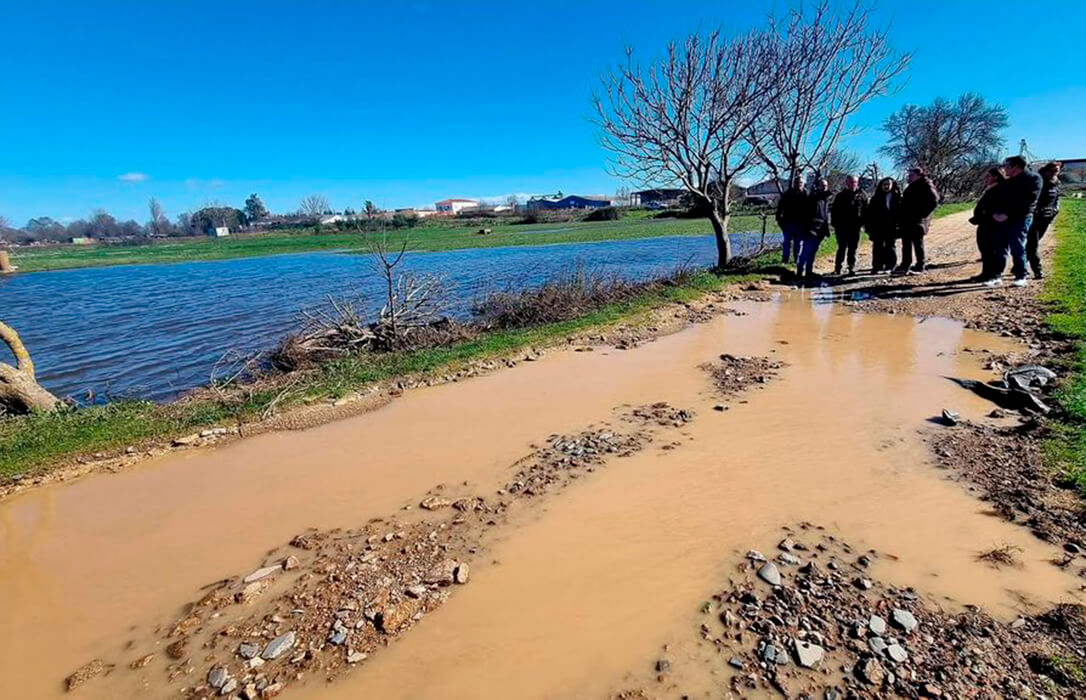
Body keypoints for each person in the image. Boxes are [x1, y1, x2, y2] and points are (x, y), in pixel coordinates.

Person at [989, 155, 1042, 288]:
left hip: (1022, 218)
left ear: (1016, 167)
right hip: (1003, 218)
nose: (1004, 169)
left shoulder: (1033, 179)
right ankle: (997, 275)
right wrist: (996, 213)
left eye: (1007, 166)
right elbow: (999, 199)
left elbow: (1029, 202)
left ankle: (1021, 275)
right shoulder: (1008, 182)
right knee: (1000, 246)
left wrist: (1008, 214)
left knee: (1017, 246)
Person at [894, 166, 939, 274]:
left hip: (917, 221)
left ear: (918, 175)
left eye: (911, 175)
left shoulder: (926, 184)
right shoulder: (912, 185)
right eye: (908, 175)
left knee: (918, 244)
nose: (908, 177)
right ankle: (905, 265)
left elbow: (934, 200)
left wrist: (922, 215)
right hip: (907, 220)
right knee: (906, 243)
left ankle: (920, 266)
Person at [968, 166, 1007, 283]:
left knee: (993, 250)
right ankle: (986, 273)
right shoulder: (991, 188)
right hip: (984, 223)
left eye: (988, 176)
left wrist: (989, 213)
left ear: (996, 176)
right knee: (985, 249)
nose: (986, 178)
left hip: (992, 224)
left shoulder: (1000, 189)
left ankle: (995, 274)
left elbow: (997, 206)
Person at [1027, 161, 1062, 279]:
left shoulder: (1057, 183)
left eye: (1057, 171)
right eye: (1052, 171)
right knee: (1033, 245)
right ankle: (1037, 270)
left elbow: (1057, 198)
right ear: (1046, 171)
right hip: (1034, 218)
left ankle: (1019, 265)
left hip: (1047, 218)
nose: (1054, 173)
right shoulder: (1038, 182)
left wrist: (1056, 209)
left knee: (1033, 243)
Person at [830, 174, 868, 275]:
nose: (853, 184)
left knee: (853, 249)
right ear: (846, 183)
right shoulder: (840, 196)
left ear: (857, 183)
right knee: (841, 248)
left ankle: (851, 267)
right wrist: (835, 224)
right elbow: (834, 211)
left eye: (855, 182)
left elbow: (866, 211)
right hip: (842, 227)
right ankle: (838, 268)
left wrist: (863, 223)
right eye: (851, 182)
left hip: (855, 227)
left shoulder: (862, 195)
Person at [796, 178, 831, 285]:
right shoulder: (813, 197)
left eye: (826, 185)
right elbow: (816, 198)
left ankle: (809, 272)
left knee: (813, 252)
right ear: (818, 186)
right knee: (806, 252)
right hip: (811, 230)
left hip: (820, 230)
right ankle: (799, 272)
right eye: (822, 185)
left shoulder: (825, 199)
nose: (824, 187)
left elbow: (825, 216)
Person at [864, 177, 900, 273]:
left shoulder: (897, 197)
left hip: (891, 226)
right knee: (877, 247)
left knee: (890, 246)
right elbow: (869, 214)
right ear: (881, 185)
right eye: (885, 184)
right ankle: (877, 266)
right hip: (878, 227)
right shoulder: (876, 198)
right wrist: (868, 227)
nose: (886, 186)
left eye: (888, 184)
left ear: (892, 185)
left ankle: (891, 266)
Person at [775, 176, 807, 265]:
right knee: (787, 242)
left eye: (800, 183)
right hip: (788, 222)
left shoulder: (806, 194)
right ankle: (785, 259)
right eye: (797, 182)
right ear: (793, 183)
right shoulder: (788, 194)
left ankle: (797, 259)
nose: (799, 184)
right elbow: (780, 207)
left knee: (798, 243)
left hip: (801, 223)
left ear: (803, 184)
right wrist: (779, 220)